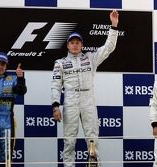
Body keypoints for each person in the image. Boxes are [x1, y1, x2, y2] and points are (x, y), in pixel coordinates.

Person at [51, 10, 119, 167]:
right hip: (70, 100)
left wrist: (114, 26)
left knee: (92, 138)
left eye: (78, 43)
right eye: (72, 43)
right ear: (68, 45)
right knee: (69, 140)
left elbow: (108, 47)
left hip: (88, 99)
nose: (75, 45)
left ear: (82, 45)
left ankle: (94, 165)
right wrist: (55, 105)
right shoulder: (60, 63)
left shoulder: (90, 58)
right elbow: (55, 85)